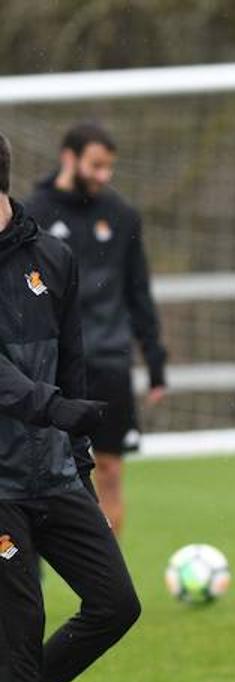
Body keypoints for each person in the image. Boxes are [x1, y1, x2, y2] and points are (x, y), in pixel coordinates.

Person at [0, 131, 143, 682]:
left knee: (116, 604)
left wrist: (80, 459)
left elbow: (72, 363)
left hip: (52, 473)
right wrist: (56, 407)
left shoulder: (52, 258)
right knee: (20, 622)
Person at [25, 122, 169, 536]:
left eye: (110, 167)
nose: (104, 175)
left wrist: (155, 359)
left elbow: (138, 291)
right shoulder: (33, 213)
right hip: (49, 366)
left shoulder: (121, 215)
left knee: (108, 471)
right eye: (96, 165)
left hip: (107, 360)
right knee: (37, 474)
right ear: (68, 158)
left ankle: (106, 583)